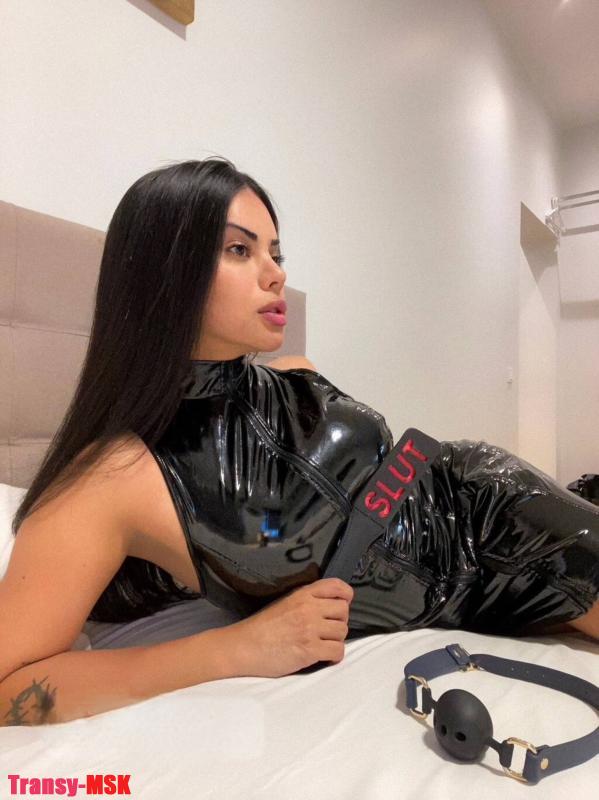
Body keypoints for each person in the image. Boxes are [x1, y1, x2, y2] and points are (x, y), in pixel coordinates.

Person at [1, 158, 597, 728]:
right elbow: (9, 686)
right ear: (165, 270)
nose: (276, 273)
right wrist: (235, 648)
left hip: (490, 504)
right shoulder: (113, 477)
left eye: (275, 252)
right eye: (240, 249)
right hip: (463, 595)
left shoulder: (293, 374)